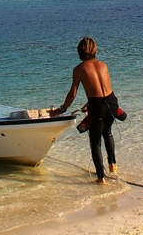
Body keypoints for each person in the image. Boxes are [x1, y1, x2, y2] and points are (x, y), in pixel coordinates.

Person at [57, 36, 119, 184]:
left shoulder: (78, 69)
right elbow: (103, 90)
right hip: (112, 102)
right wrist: (89, 103)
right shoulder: (103, 65)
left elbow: (73, 93)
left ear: (79, 51)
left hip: (97, 106)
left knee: (95, 141)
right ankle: (112, 165)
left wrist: (62, 108)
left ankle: (101, 178)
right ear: (95, 50)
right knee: (108, 132)